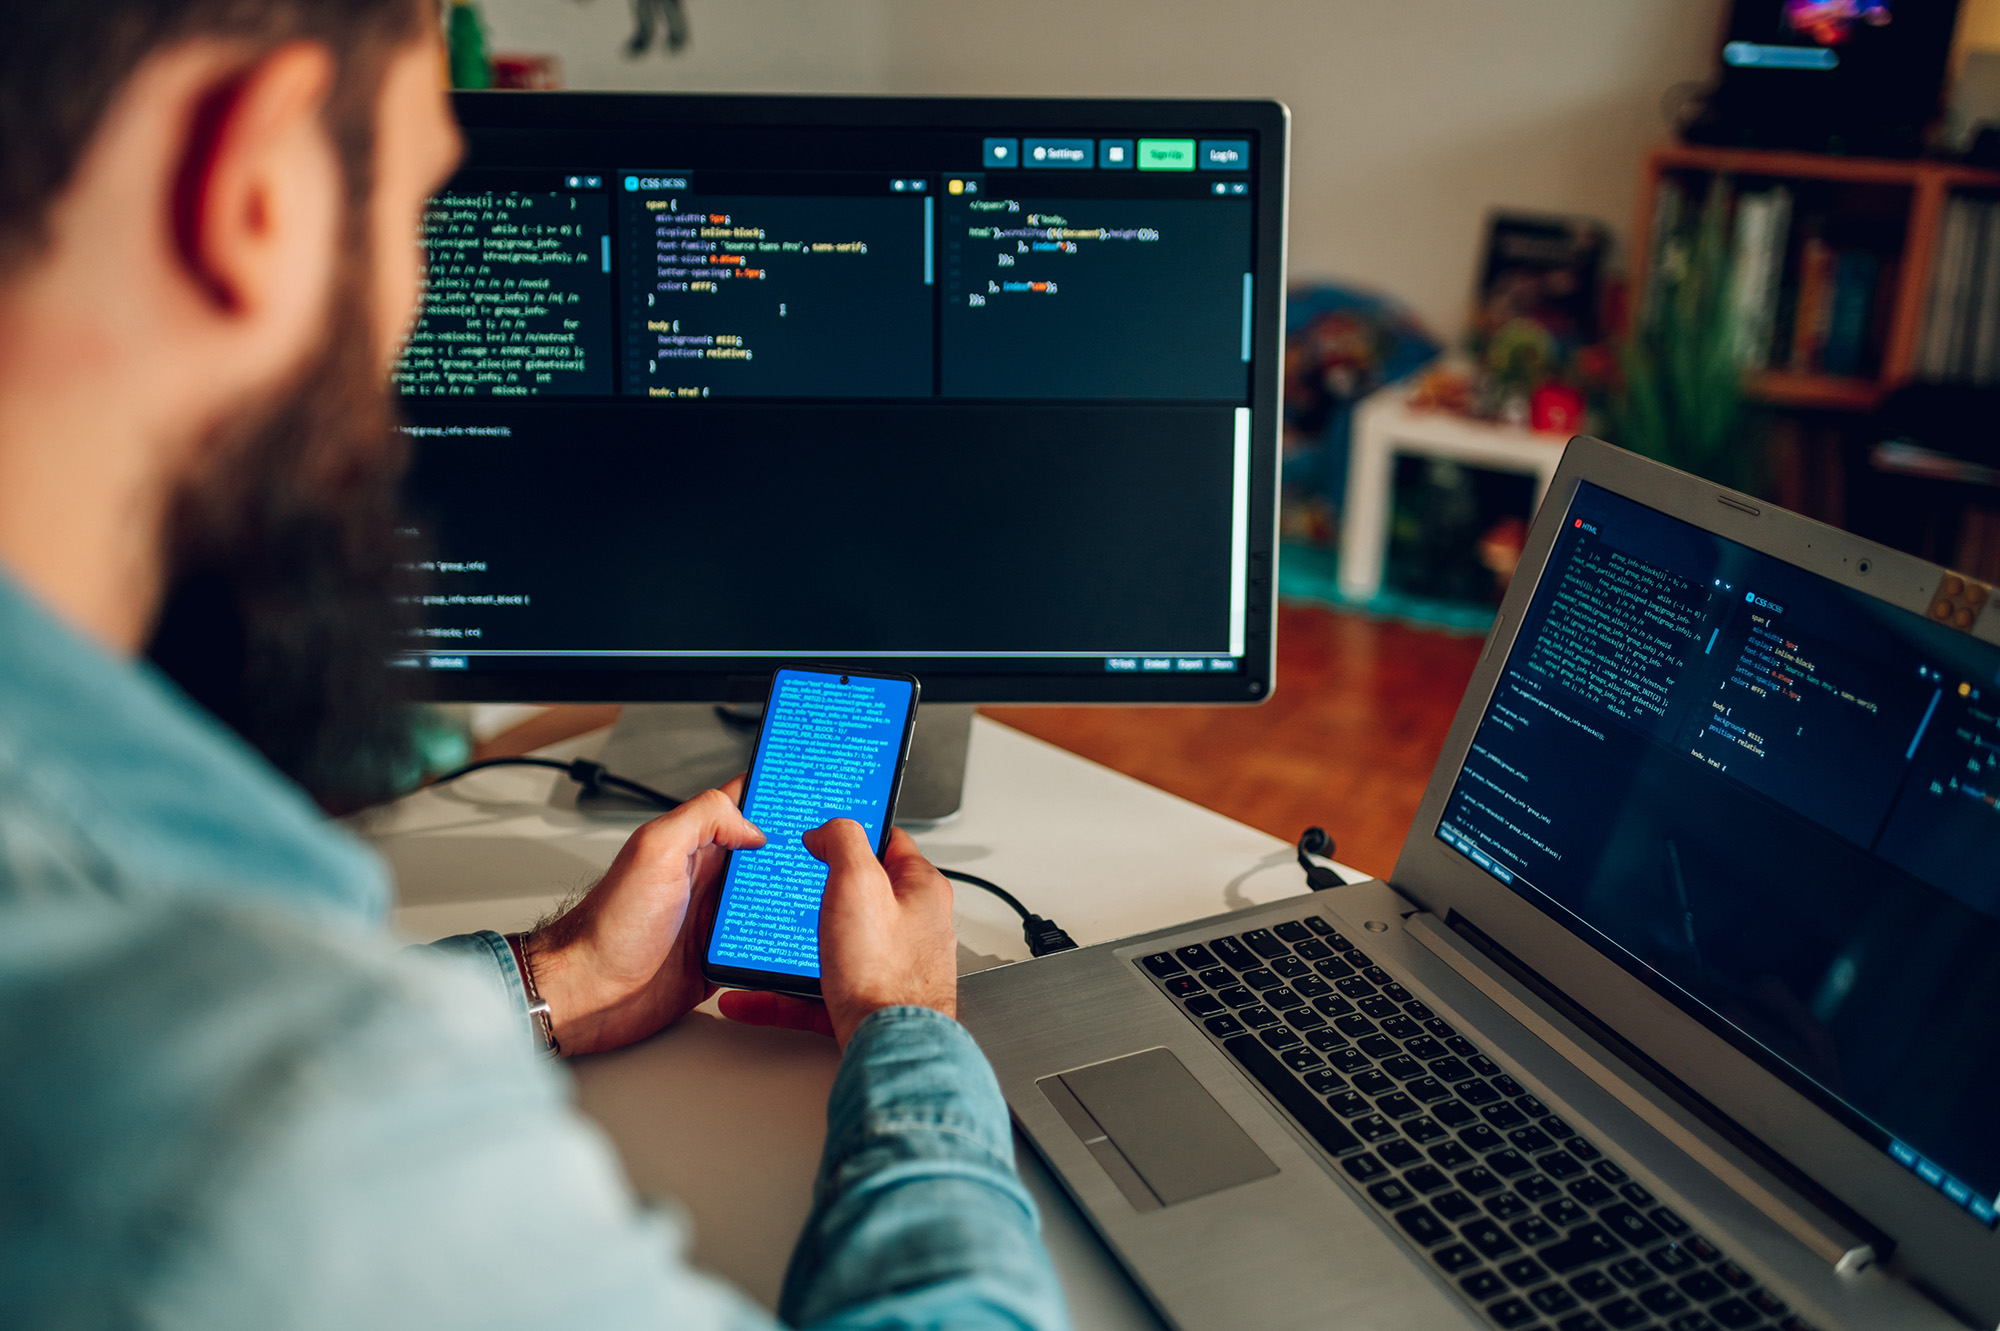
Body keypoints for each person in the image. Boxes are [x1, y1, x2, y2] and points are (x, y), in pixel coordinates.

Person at [0, 3, 1068, 1327]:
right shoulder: (265, 1122)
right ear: (253, 180)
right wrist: (913, 1035)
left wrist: (554, 976)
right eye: (424, 201)